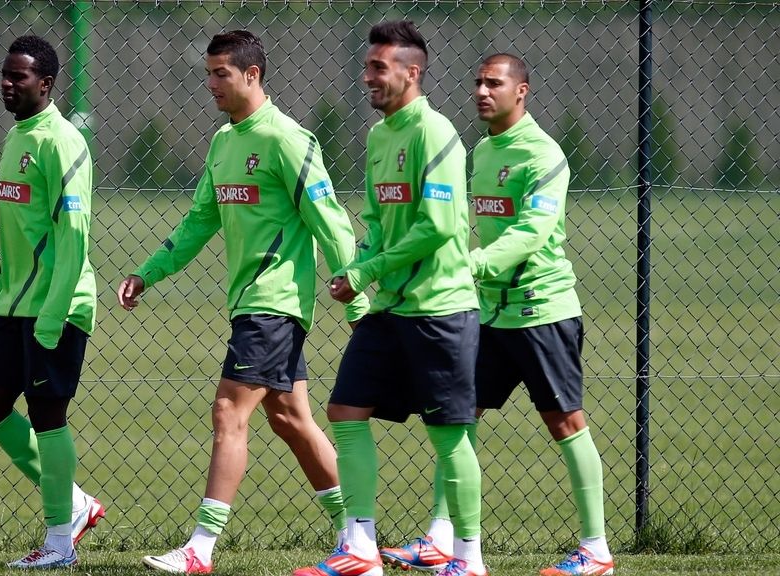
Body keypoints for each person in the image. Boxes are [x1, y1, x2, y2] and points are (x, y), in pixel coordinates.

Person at [117, 30, 368, 576]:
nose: (210, 85)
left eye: (220, 74)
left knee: (230, 411)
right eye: (208, 73)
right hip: (251, 304)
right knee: (290, 417)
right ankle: (357, 538)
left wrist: (357, 300)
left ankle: (200, 549)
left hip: (273, 303)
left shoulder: (287, 139)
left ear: (252, 75)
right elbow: (200, 220)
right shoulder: (223, 143)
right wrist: (149, 272)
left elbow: (332, 224)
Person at [295, 20, 486, 576]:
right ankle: (359, 549)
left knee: (449, 435)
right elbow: (378, 224)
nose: (368, 77)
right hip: (391, 308)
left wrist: (369, 269)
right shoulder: (380, 138)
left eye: (379, 67)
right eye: (368, 66)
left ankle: (468, 559)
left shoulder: (436, 133)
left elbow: (441, 225)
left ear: (412, 72)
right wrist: (355, 267)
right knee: (345, 410)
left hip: (441, 308)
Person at [469, 52, 614, 576]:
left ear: (521, 91)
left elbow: (531, 232)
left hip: (542, 312)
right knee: (457, 415)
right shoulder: (482, 152)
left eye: (495, 84)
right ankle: (446, 538)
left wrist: (476, 264)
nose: (483, 92)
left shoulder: (544, 154)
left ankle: (595, 550)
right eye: (479, 83)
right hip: (491, 315)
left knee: (566, 422)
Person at [0, 35, 105, 569]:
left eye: (18, 76)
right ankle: (75, 504)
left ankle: (58, 544)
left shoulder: (62, 142)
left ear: (45, 84)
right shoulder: (17, 135)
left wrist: (52, 316)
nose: (7, 82)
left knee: (48, 415)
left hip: (58, 305)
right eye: (5, 73)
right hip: (12, 305)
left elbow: (74, 237)